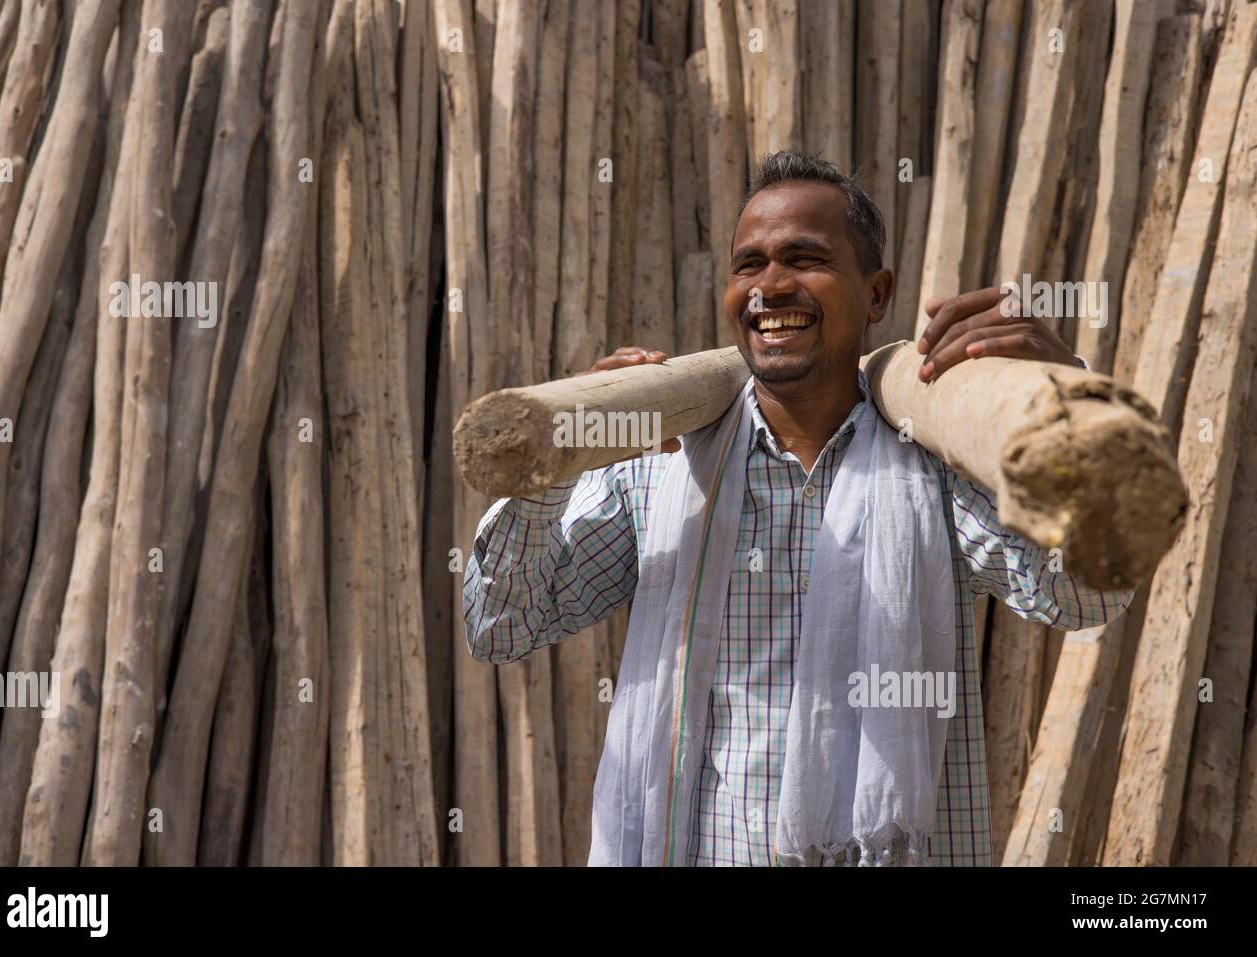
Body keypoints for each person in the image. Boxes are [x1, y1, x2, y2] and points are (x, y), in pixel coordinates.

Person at [463, 150, 1134, 867]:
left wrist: (1071, 411)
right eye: (748, 264)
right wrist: (563, 449)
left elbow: (1080, 595)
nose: (770, 286)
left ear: (876, 295)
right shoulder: (663, 469)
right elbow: (503, 624)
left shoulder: (932, 464)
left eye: (804, 258)